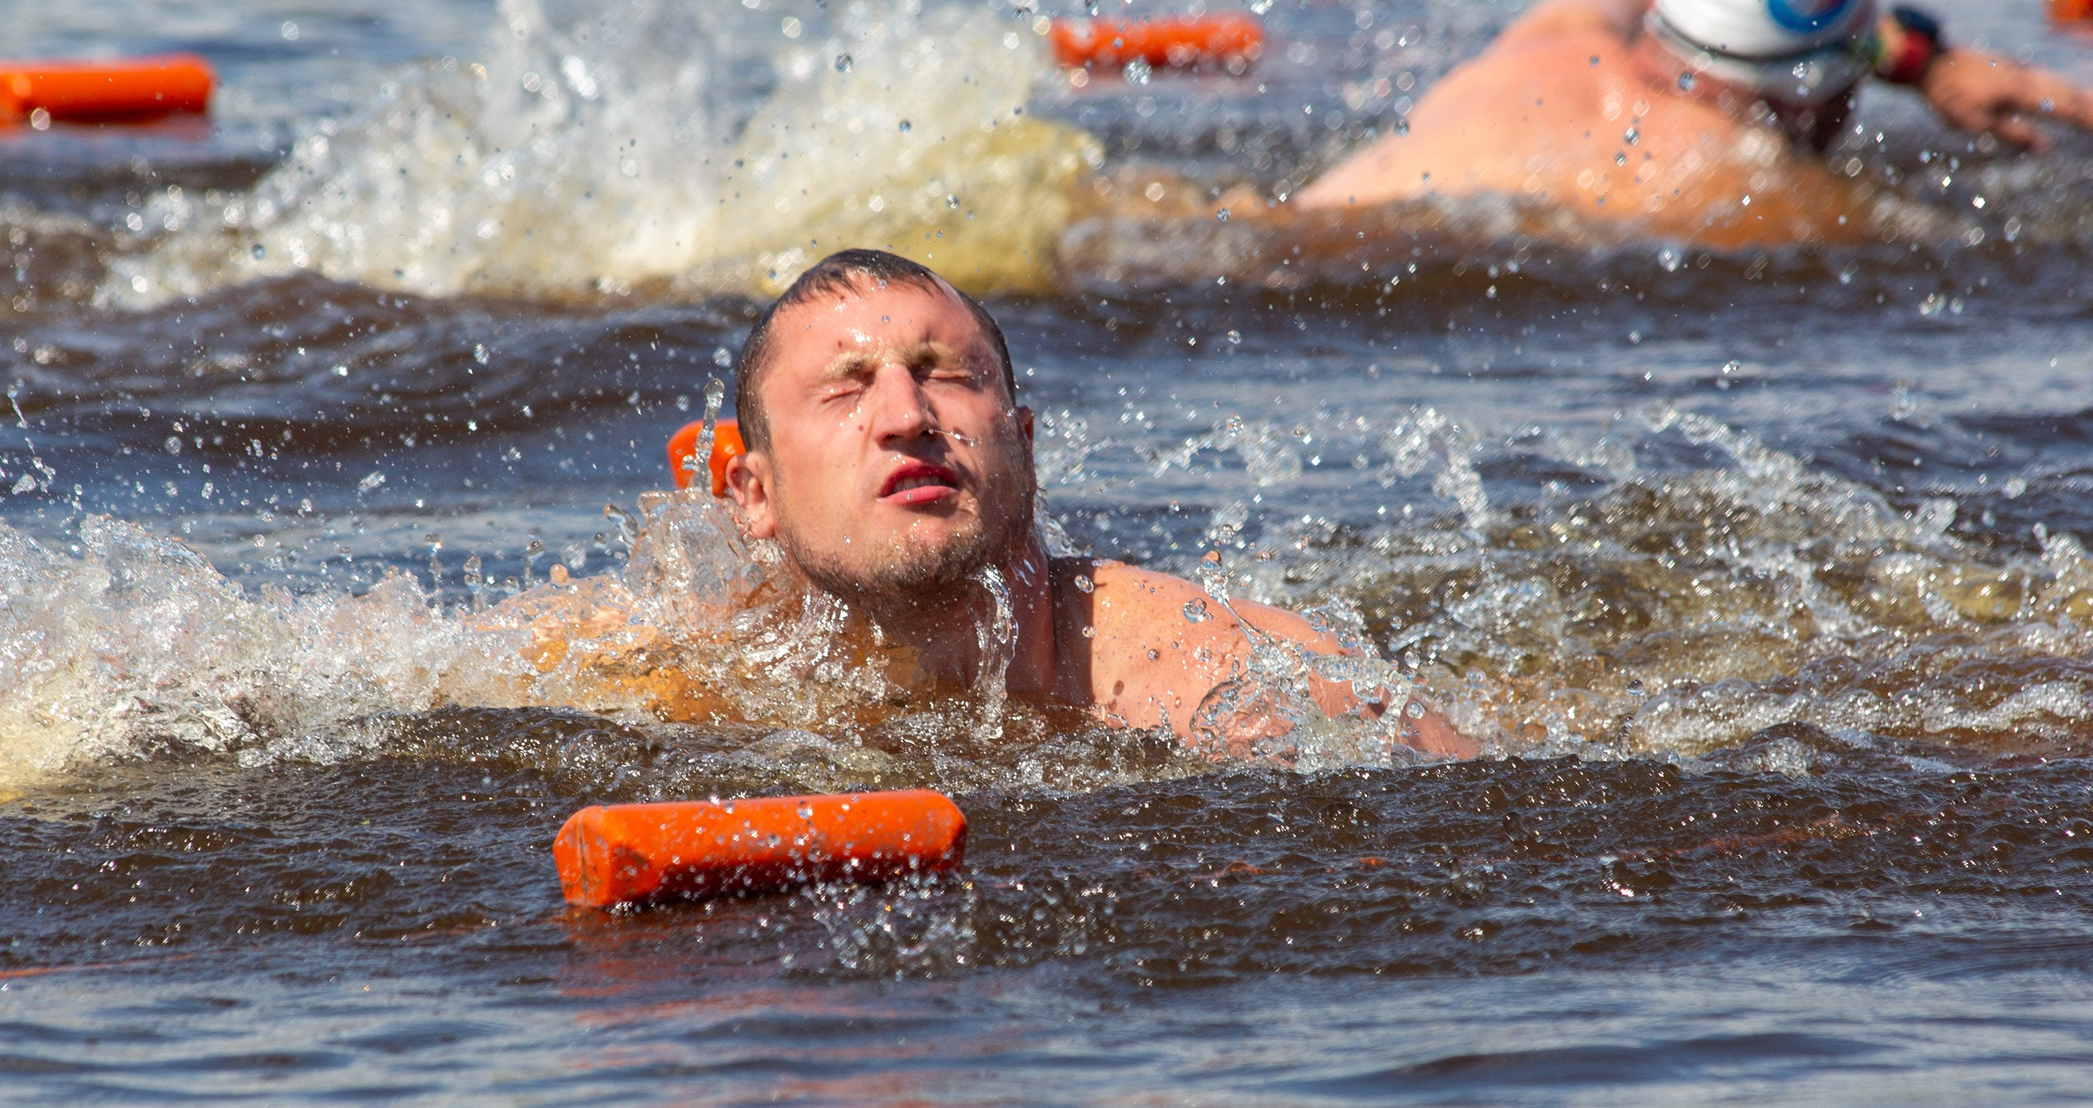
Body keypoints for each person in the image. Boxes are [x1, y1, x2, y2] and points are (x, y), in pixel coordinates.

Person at [528, 248, 1473, 758]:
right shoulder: (659, 669)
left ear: (1021, 442)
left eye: (944, 377)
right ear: (756, 496)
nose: (905, 416)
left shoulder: (1217, 686)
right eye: (847, 387)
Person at [1290, 0, 2093, 243]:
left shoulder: (1563, 33)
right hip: (1313, 257)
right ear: (1808, 91)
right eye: (1863, 53)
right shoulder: (1725, 179)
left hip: (1272, 222)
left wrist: (1916, 57)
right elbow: (1927, 242)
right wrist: (1918, 60)